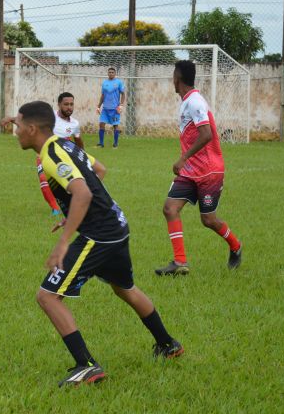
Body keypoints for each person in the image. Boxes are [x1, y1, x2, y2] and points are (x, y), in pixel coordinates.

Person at [13, 100, 183, 387]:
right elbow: (99, 170)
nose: (15, 132)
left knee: (48, 296)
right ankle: (168, 345)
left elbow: (82, 194)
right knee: (124, 288)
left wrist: (64, 242)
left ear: (32, 129)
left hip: (100, 235)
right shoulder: (65, 145)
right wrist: (72, 217)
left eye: (18, 126)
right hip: (117, 225)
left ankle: (86, 365)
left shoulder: (51, 156)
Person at [155, 60, 242, 276]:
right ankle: (179, 262)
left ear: (178, 78)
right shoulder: (187, 101)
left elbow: (207, 134)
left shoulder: (195, 102)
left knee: (209, 220)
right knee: (170, 208)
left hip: (210, 171)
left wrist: (183, 158)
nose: (172, 81)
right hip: (190, 172)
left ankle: (236, 246)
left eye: (173, 76)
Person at [2, 93, 100, 216]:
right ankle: (55, 208)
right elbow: (28, 122)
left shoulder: (74, 124)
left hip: (64, 156)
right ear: (59, 105)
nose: (69, 107)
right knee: (44, 180)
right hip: (45, 153)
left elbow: (78, 140)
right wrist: (11, 119)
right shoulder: (51, 116)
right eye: (66, 104)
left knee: (68, 182)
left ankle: (72, 204)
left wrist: (82, 157)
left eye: (71, 104)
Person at [95, 67, 125, 148]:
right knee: (101, 124)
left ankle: (115, 144)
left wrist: (121, 105)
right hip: (105, 109)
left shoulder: (119, 82)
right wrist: (98, 106)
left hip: (115, 109)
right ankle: (101, 143)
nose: (111, 73)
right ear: (108, 73)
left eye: (112, 72)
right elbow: (103, 95)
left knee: (115, 126)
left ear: (115, 74)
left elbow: (123, 94)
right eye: (109, 72)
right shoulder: (104, 83)